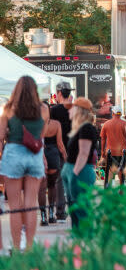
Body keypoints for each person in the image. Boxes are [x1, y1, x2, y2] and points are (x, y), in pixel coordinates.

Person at [0, 76, 45, 250]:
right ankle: (29, 247)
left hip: (14, 153)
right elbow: (41, 135)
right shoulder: (43, 109)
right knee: (31, 203)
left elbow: (1, 136)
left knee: (15, 205)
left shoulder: (9, 109)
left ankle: (17, 247)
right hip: (35, 155)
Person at [61, 96, 98, 229]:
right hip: (74, 171)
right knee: (74, 209)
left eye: (72, 108)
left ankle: (85, 238)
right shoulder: (79, 129)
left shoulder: (86, 129)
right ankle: (78, 238)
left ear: (79, 111)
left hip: (80, 172)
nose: (69, 111)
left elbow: (83, 153)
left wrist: (74, 173)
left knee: (81, 209)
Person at [48, 80, 73, 222]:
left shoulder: (54, 110)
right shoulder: (76, 109)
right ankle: (77, 209)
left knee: (59, 181)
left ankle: (60, 212)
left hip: (58, 148)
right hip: (74, 149)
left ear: (58, 93)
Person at [38, 102, 66, 226]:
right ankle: (51, 215)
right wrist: (65, 156)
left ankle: (43, 217)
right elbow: (60, 144)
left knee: (42, 188)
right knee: (52, 186)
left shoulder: (36, 125)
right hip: (54, 154)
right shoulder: (56, 124)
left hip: (40, 154)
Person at [100, 105, 126, 185]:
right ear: (120, 114)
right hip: (122, 151)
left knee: (109, 170)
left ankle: (108, 188)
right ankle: (121, 188)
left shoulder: (106, 124)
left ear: (113, 113)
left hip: (110, 151)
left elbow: (103, 139)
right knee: (121, 170)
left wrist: (102, 151)